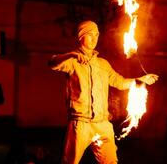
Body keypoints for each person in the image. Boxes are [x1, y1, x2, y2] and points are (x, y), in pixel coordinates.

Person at [48, 20, 158, 164]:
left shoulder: (103, 64)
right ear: (81, 37)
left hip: (102, 123)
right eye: (90, 35)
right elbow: (53, 64)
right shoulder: (72, 62)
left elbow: (120, 82)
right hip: (81, 123)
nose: (94, 38)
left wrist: (140, 80)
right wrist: (71, 55)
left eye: (97, 35)